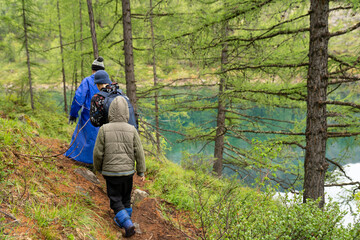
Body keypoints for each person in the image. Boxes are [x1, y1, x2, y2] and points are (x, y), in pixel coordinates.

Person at [93, 96, 146, 238]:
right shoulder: (132, 129)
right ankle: (124, 220)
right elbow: (139, 152)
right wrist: (141, 171)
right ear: (126, 113)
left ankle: (127, 224)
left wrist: (97, 168)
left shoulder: (104, 129)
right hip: (128, 172)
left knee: (115, 199)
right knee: (126, 198)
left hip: (110, 173)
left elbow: (98, 153)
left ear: (110, 112)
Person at [65, 57, 106, 164]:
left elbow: (78, 99)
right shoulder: (107, 83)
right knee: (101, 139)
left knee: (83, 136)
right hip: (104, 116)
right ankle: (99, 162)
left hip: (88, 115)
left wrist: (73, 114)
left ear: (93, 69)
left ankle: (80, 159)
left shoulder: (87, 81)